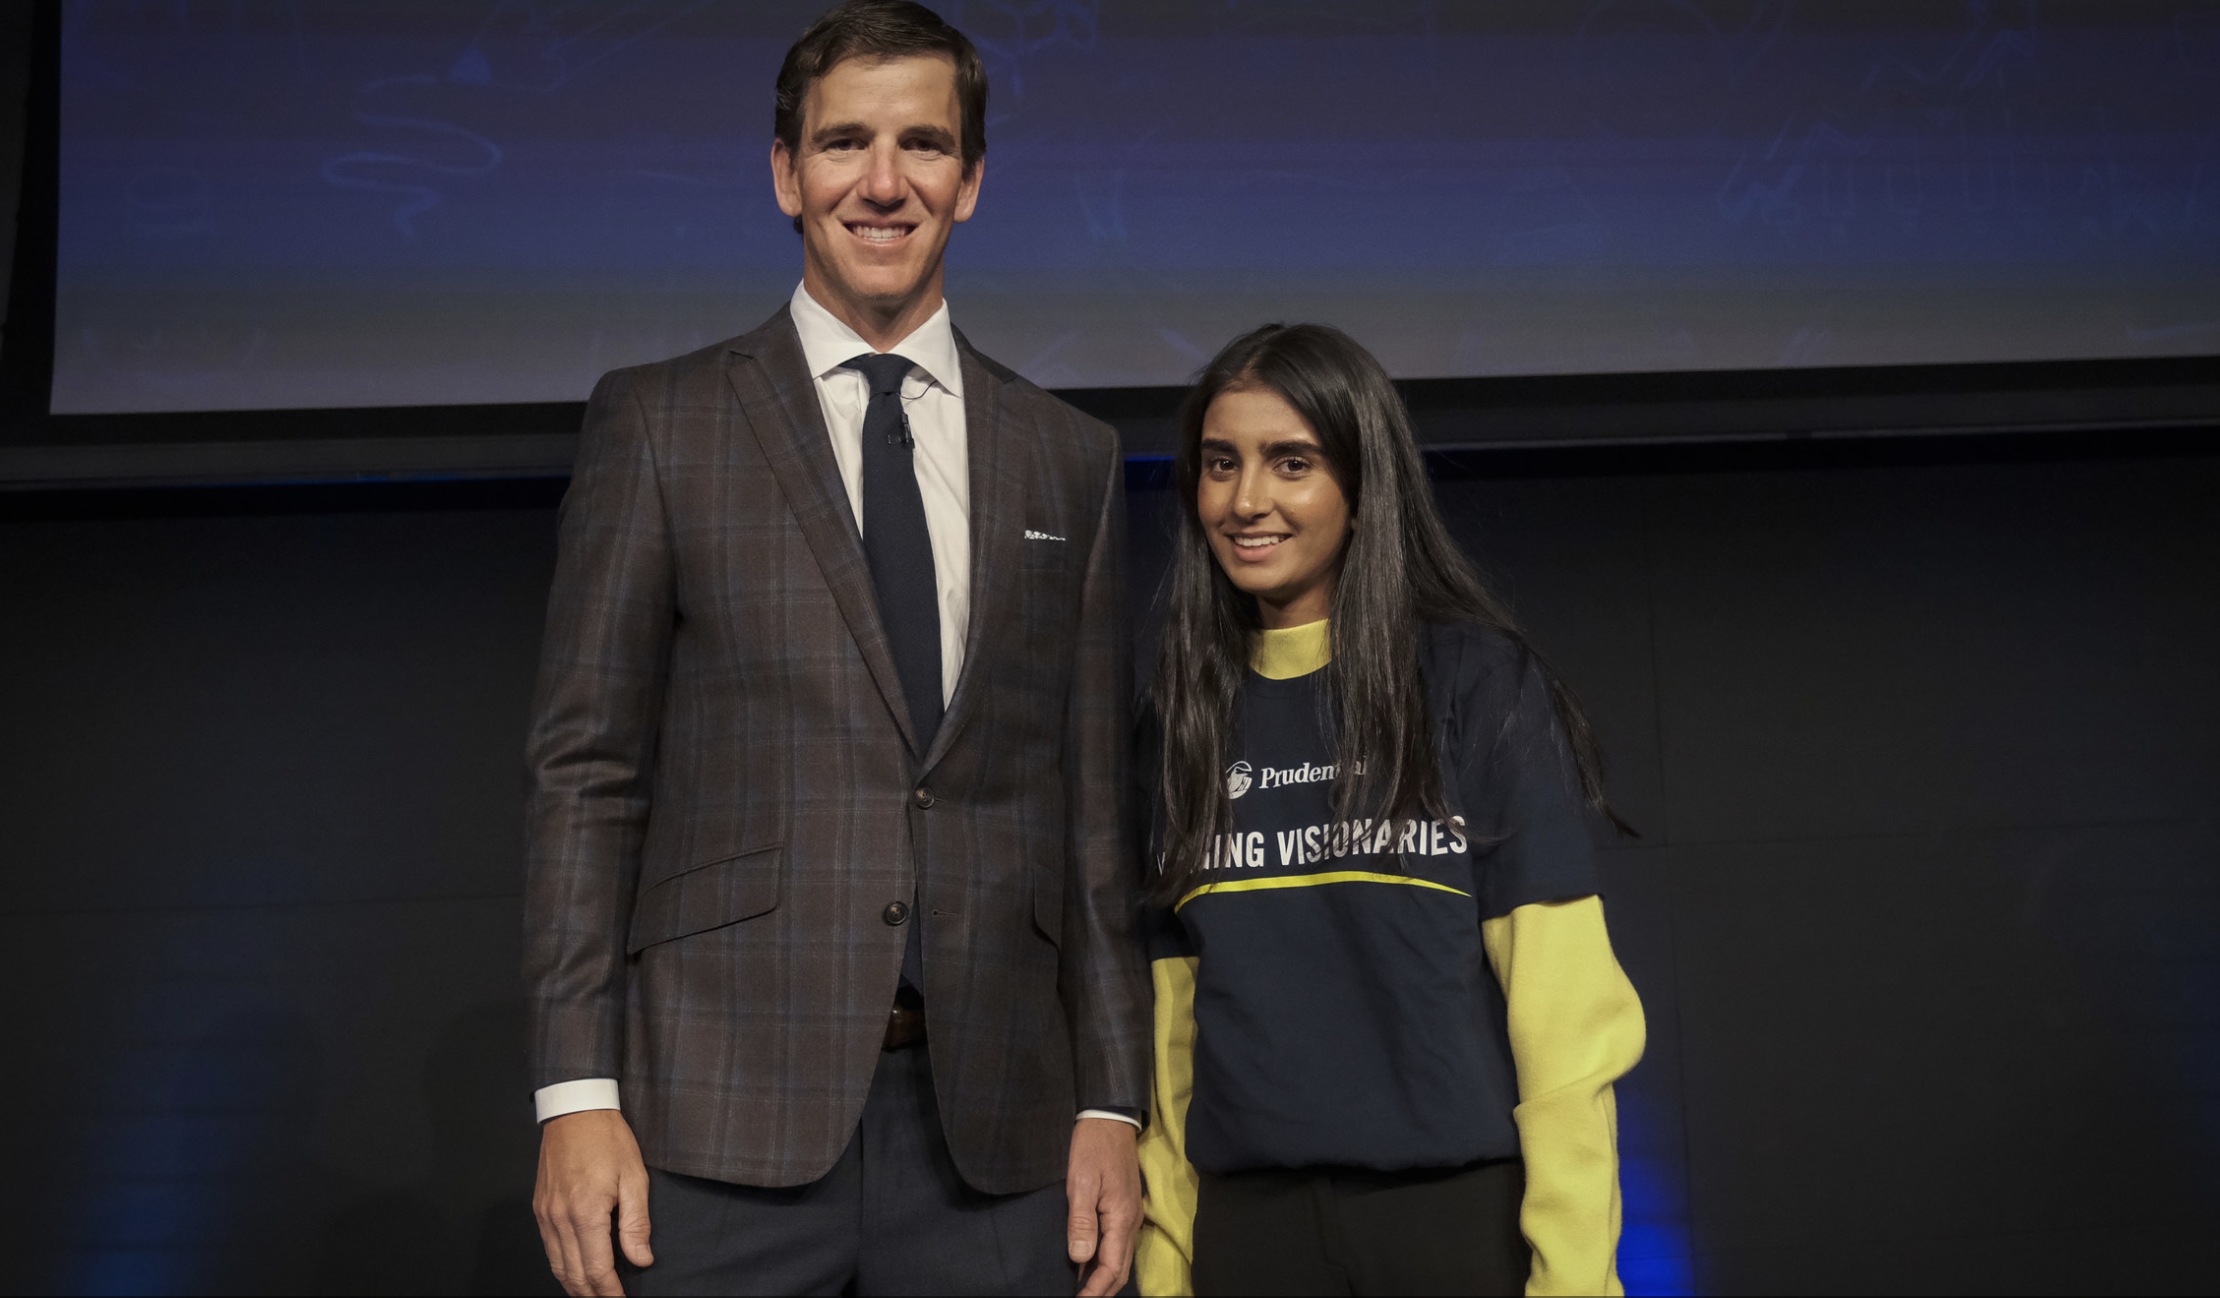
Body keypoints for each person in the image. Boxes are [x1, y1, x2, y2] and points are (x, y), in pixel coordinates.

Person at [521, 4, 1150, 1294]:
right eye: (844, 142)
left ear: (971, 180)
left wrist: (1112, 1099)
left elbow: (1091, 814)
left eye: (925, 144)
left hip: (1000, 1135)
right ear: (784, 172)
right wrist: (575, 1092)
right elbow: (587, 773)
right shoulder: (662, 423)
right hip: (715, 1122)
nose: (883, 181)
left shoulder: (1068, 457)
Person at [1131, 323, 1647, 1296]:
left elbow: (1565, 1019)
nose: (1246, 500)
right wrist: (1165, 1267)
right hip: (1250, 1233)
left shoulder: (1472, 681)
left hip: (1456, 1224)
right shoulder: (1179, 717)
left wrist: (1575, 1276)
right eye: (1220, 463)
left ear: (1365, 485)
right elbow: (1171, 1040)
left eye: (1292, 462)